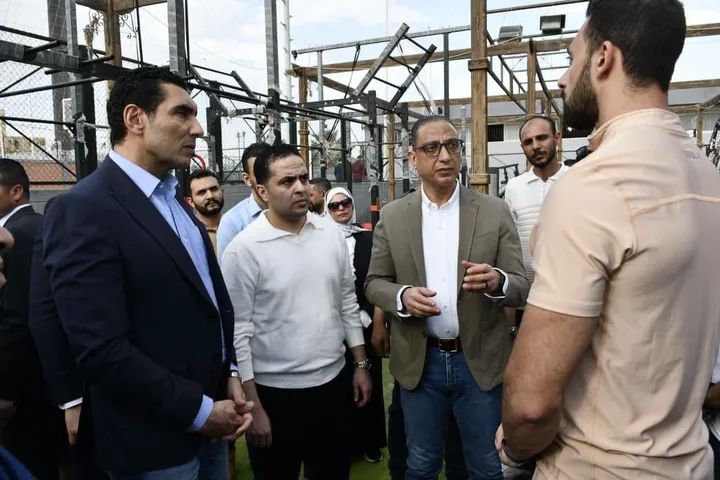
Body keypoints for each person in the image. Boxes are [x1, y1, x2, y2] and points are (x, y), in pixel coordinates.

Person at [498, 2, 720, 478]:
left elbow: (531, 405)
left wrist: (515, 452)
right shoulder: (708, 175)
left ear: (603, 58)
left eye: (571, 58)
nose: (563, 79)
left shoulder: (593, 185)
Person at [37, 66, 252, 478]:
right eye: (182, 113)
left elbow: (204, 304)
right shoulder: (83, 209)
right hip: (153, 446)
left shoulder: (174, 201)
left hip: (211, 424)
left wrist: (228, 373)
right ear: (135, 118)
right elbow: (101, 350)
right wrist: (198, 411)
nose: (198, 129)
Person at [365, 115, 529, 480]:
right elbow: (374, 282)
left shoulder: (493, 211)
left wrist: (497, 281)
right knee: (421, 463)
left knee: (485, 465)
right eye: (432, 148)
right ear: (412, 158)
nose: (444, 156)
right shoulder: (393, 216)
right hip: (421, 363)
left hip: (479, 362)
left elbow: (521, 284)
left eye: (452, 145)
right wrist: (402, 297)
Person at [221, 144, 371, 480]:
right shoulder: (243, 251)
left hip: (333, 386)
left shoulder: (330, 234)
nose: (300, 187)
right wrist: (254, 405)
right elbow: (238, 334)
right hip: (274, 396)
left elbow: (347, 302)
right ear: (262, 190)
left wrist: (360, 364)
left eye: (304, 178)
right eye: (287, 181)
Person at [0, 159, 63, 479]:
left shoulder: (18, 233)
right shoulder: (39, 225)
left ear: (16, 192)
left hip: (26, 384)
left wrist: (6, 391)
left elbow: (16, 317)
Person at [324, 186, 387, 463]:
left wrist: (378, 322)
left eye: (345, 203)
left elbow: (380, 279)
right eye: (334, 205)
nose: (341, 209)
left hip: (365, 321)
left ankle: (370, 442)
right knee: (338, 385)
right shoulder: (321, 240)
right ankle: (344, 446)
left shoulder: (368, 239)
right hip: (332, 326)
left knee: (369, 378)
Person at [503, 116, 568, 335]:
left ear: (557, 138)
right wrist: (511, 322)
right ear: (522, 147)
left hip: (570, 300)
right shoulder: (514, 188)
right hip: (527, 301)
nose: (536, 146)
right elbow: (509, 250)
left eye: (542, 138)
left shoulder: (578, 179)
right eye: (528, 142)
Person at [216, 142, 270, 259]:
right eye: (260, 174)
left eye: (271, 172)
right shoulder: (232, 222)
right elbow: (226, 268)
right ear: (247, 179)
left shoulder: (293, 213)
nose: (268, 179)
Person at [185, 169, 224, 252]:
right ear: (190, 202)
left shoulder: (238, 225)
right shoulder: (187, 235)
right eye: (201, 192)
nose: (210, 196)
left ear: (222, 192)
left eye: (214, 189)